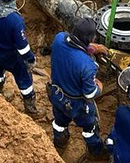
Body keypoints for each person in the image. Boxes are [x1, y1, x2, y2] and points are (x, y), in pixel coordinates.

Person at [47, 19, 109, 159]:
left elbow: (69, 49)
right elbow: (89, 93)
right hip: (78, 105)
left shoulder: (59, 38)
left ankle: (60, 142)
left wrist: (92, 47)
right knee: (89, 129)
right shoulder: (88, 65)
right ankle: (96, 152)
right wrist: (99, 86)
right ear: (89, 38)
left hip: (57, 95)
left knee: (59, 123)